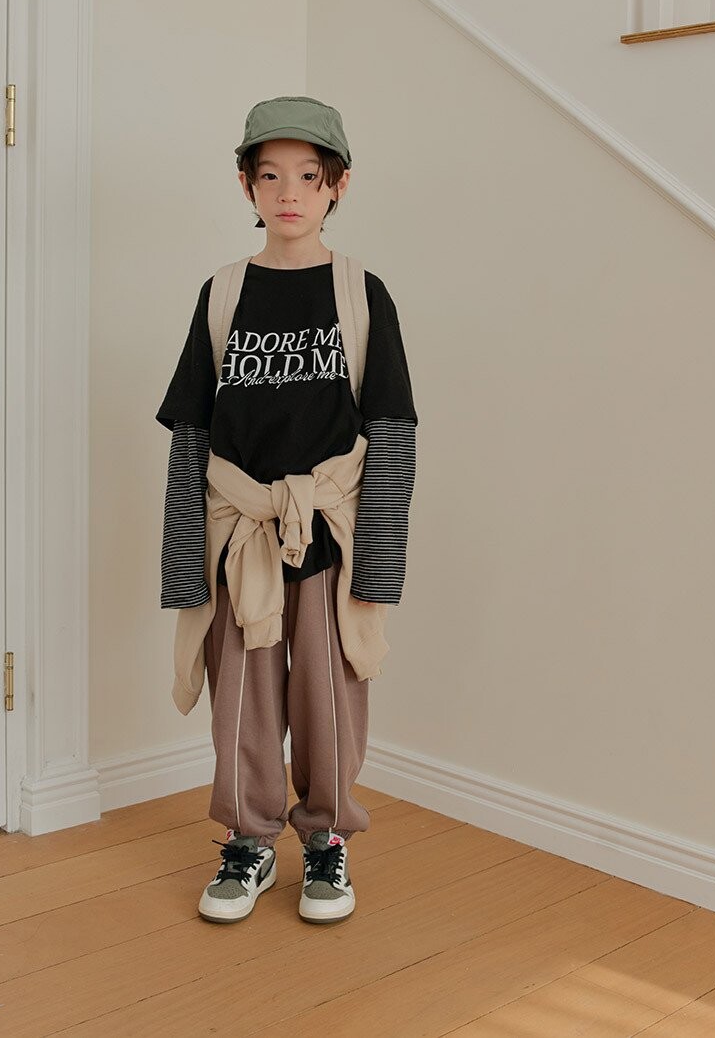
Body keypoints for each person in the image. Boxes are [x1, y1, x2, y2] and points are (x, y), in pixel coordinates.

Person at [155, 95, 418, 924]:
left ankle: (327, 839)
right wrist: (184, 568)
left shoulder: (362, 293)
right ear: (246, 186)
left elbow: (391, 429)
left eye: (308, 176)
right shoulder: (223, 294)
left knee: (330, 696)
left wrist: (379, 566)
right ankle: (250, 839)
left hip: (332, 534)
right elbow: (192, 432)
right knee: (243, 694)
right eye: (270, 177)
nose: (289, 194)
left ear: (339, 185)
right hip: (242, 535)